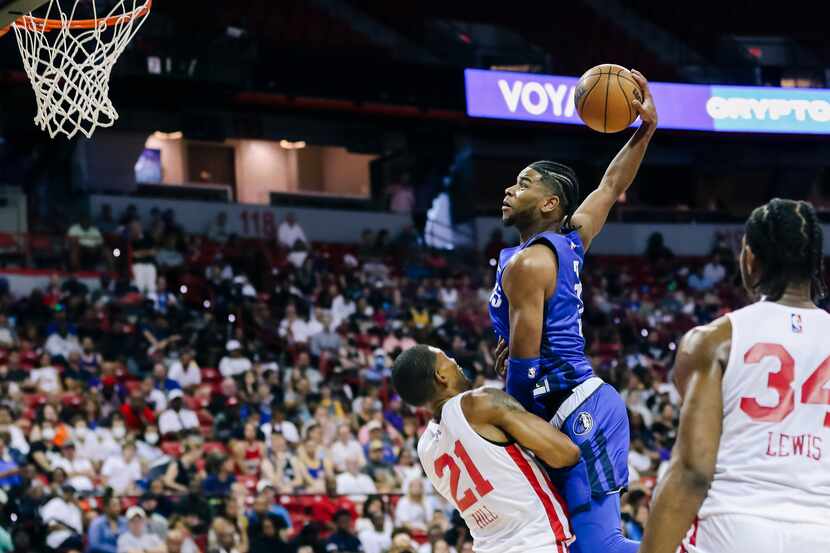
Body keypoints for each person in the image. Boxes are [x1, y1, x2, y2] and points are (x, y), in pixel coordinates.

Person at [490, 70, 656, 553]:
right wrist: (644, 131)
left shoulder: (530, 261)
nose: (508, 190)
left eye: (522, 184)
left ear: (547, 203)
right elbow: (610, 184)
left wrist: (508, 423)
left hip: (575, 410)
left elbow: (521, 374)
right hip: (565, 408)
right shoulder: (568, 240)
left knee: (598, 548)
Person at [640, 199, 830, 553]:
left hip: (735, 525)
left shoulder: (713, 341)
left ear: (749, 258)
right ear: (816, 264)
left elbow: (692, 471)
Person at [392, 345, 578, 553]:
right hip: (536, 542)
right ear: (440, 375)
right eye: (446, 357)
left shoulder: (425, 449)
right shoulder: (477, 403)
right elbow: (566, 454)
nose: (454, 361)